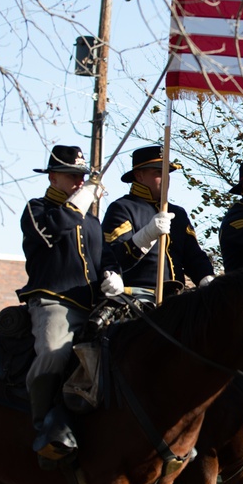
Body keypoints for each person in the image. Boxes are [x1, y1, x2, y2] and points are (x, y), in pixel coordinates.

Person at [17, 145, 122, 462]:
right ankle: (45, 428)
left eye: (82, 176)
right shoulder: (36, 210)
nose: (79, 181)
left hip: (94, 304)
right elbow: (53, 231)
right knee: (53, 353)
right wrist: (80, 200)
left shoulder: (91, 221)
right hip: (53, 301)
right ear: (52, 177)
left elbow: (106, 256)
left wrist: (113, 274)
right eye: (72, 176)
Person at [102, 145, 214, 298]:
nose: (165, 178)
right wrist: (146, 236)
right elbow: (113, 257)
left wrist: (206, 277)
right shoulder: (122, 208)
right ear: (139, 175)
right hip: (137, 296)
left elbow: (193, 256)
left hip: (177, 298)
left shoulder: (178, 213)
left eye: (167, 173)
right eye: (158, 172)